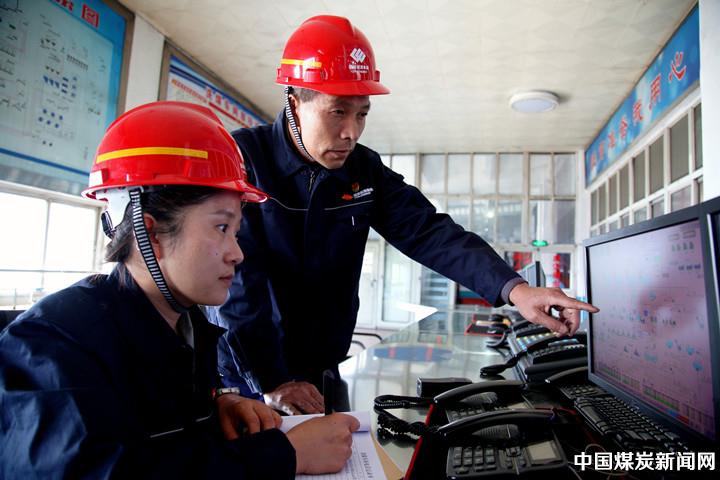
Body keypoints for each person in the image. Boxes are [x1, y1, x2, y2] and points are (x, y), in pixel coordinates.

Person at [209, 15, 599, 415]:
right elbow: (238, 286)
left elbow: (429, 232)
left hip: (324, 367)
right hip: (250, 376)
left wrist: (516, 290)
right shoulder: (243, 161)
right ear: (295, 102)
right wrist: (270, 380)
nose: (352, 132)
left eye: (362, 114)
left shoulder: (363, 170)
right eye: (338, 112)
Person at [0, 101, 359, 478]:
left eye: (237, 232)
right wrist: (285, 455)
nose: (237, 253)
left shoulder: (186, 326)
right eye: (221, 228)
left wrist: (214, 407)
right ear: (151, 233)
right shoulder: (50, 347)